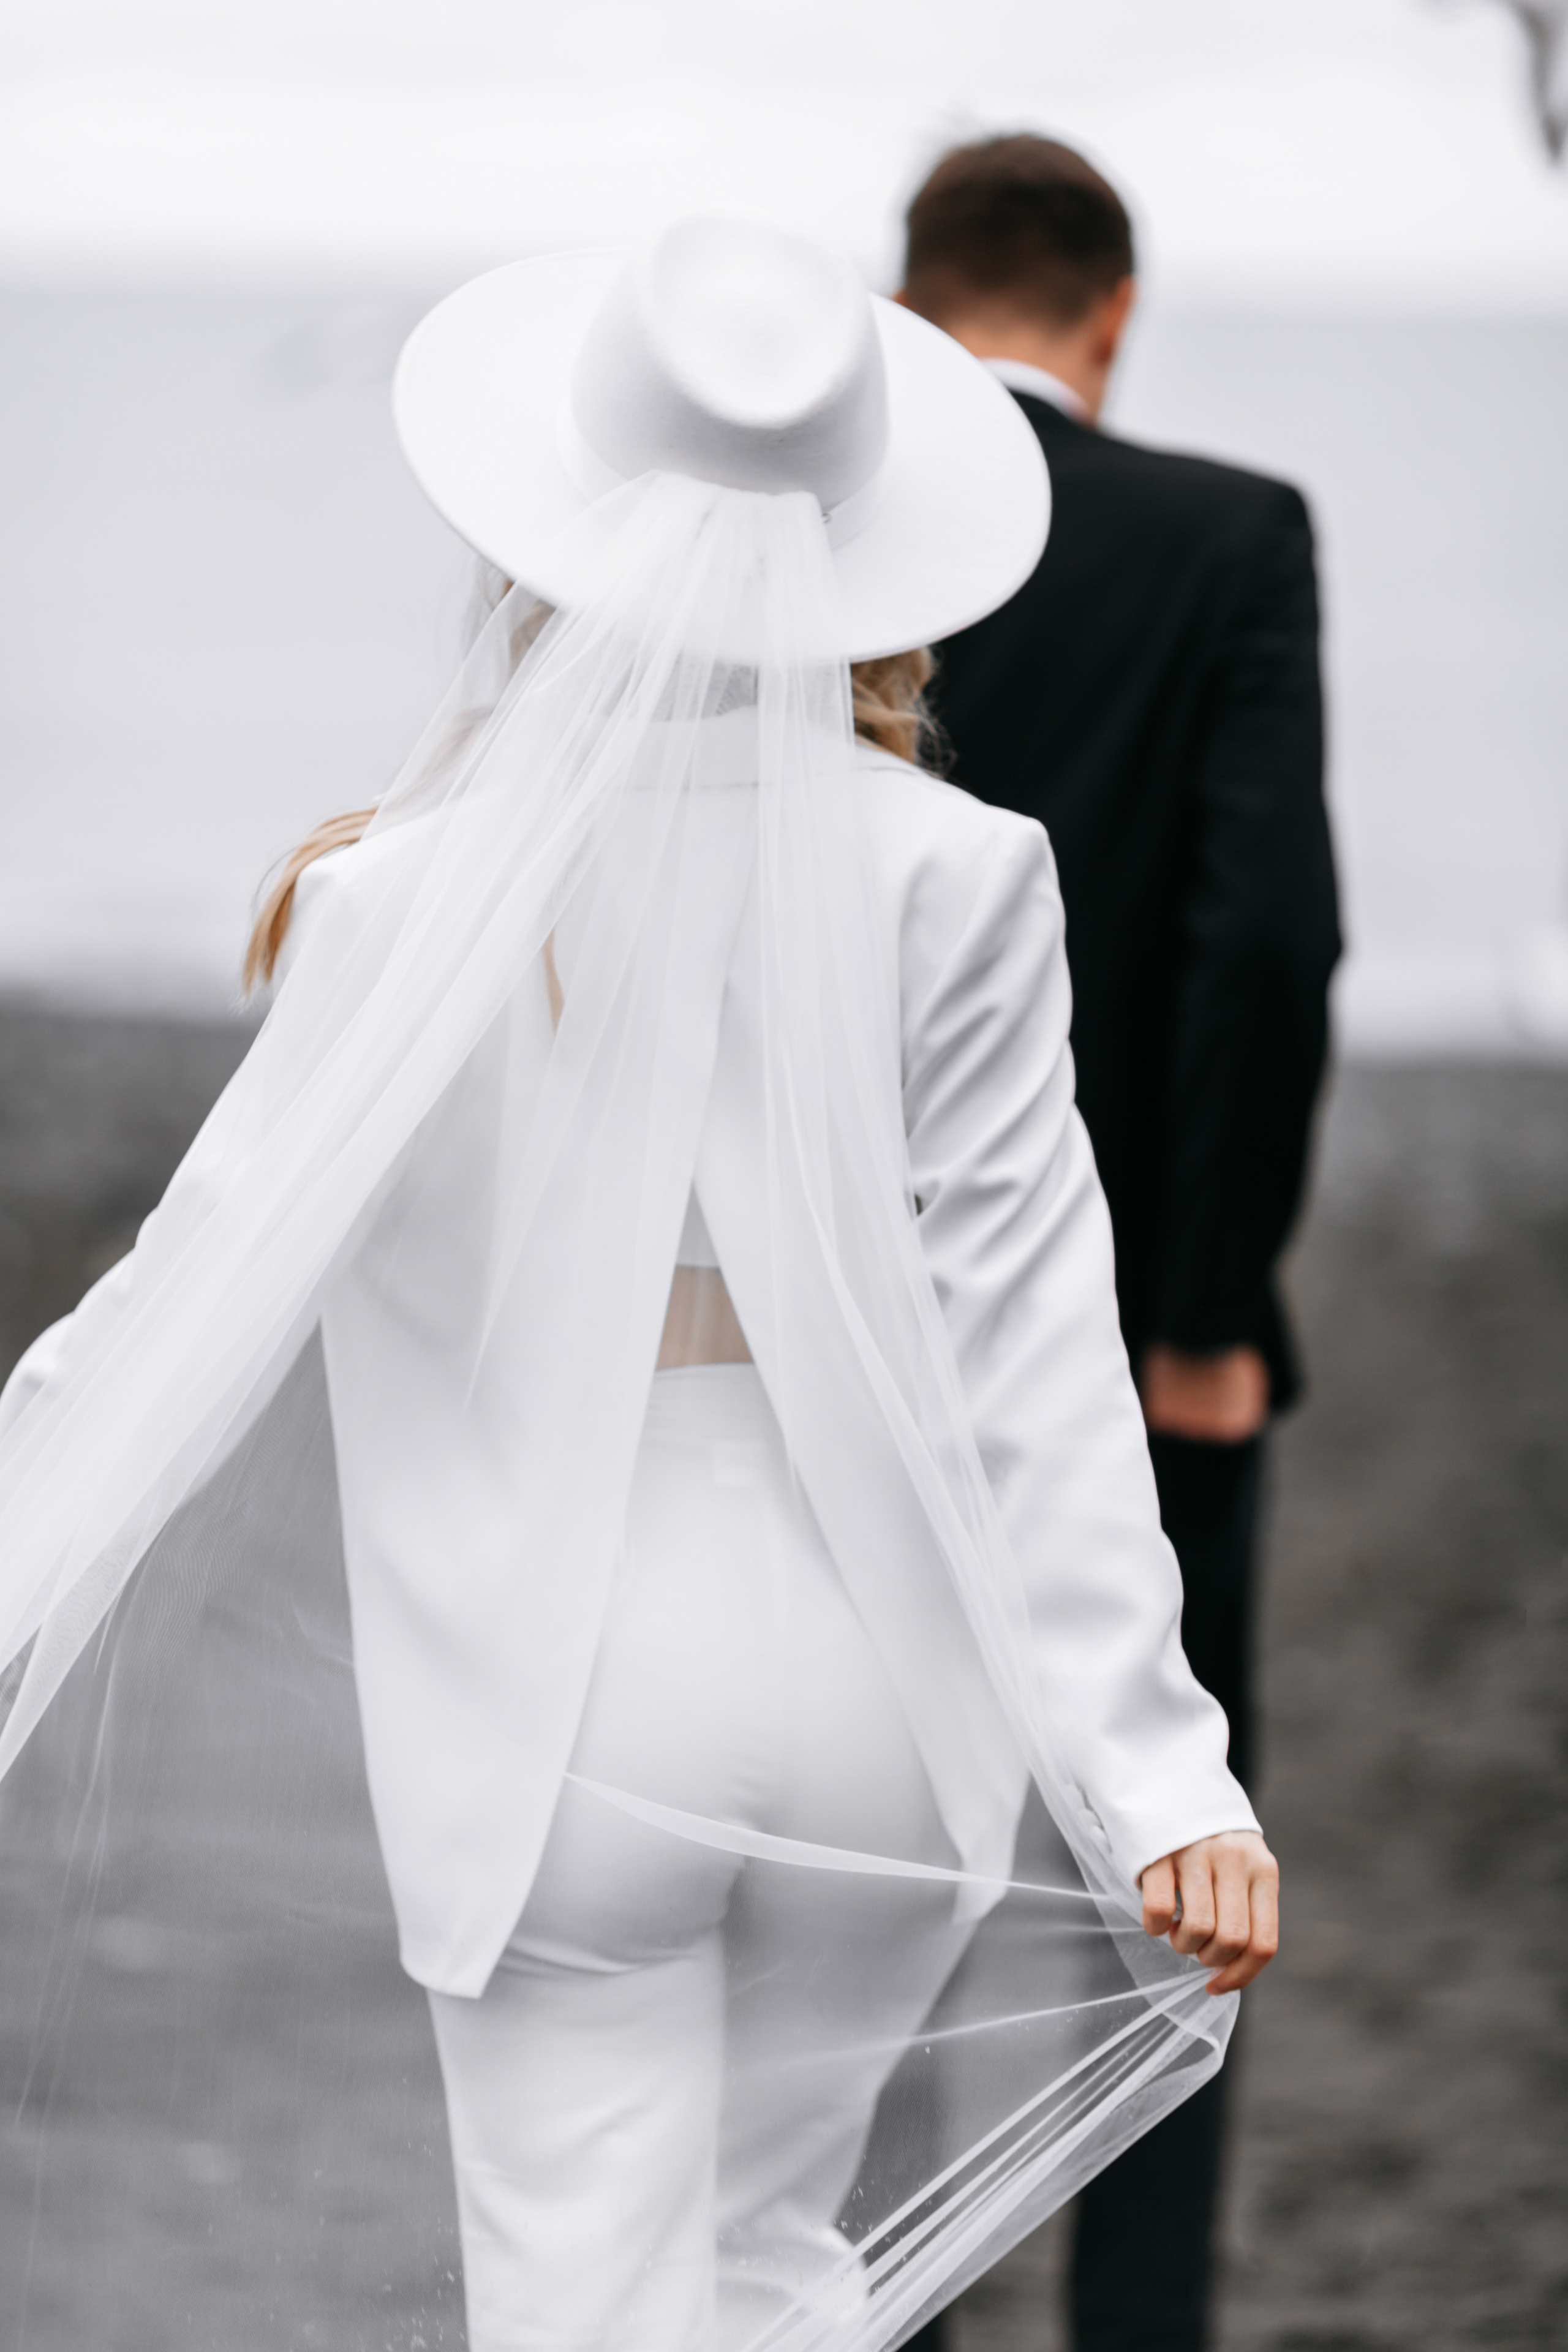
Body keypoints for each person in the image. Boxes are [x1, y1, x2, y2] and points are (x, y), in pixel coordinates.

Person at [0, 218, 1279, 2352]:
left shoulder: (395, 902)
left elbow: (187, 1298)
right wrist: (1167, 1781)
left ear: (554, 535)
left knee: (581, 2300)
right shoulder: (965, 873)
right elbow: (1035, 1342)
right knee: (778, 2281)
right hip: (884, 1699)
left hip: (568, 1714)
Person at [897, 137, 1340, 2352]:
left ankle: (878, 2302)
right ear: (1114, 309)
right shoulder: (1227, 538)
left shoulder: (818, 550)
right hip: (1139, 1338)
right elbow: (1260, 941)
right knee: (1171, 1885)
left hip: (854, 1335)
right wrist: (1197, 1306)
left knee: (875, 1860)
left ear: (908, 304)